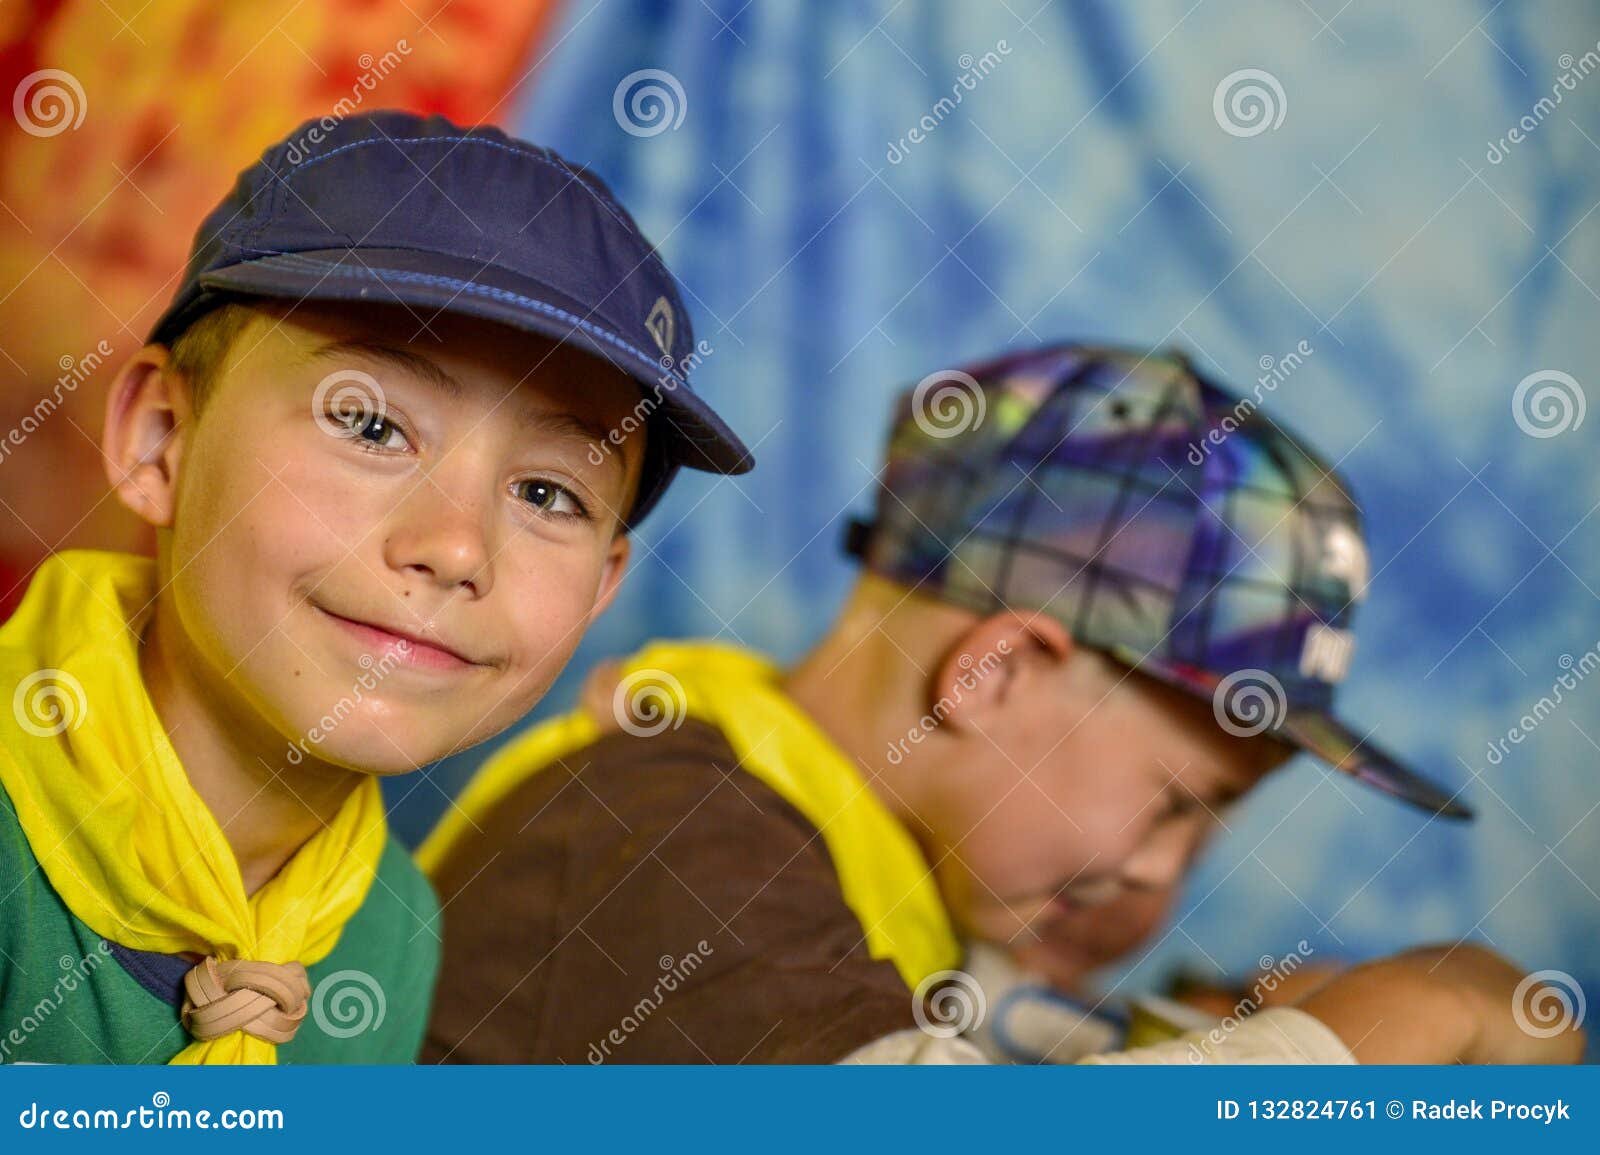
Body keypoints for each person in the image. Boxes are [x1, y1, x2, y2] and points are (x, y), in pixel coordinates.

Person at [418, 344, 1581, 1066]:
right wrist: (1376, 1031)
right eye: (1175, 804)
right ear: (995, 673)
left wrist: (1205, 1028)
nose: (1164, 878)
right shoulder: (662, 840)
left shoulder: (856, 845)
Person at [0, 110, 751, 1065]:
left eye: (546, 493)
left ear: (601, 589)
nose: (456, 547)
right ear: (161, 441)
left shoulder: (391, 932)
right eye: (369, 425)